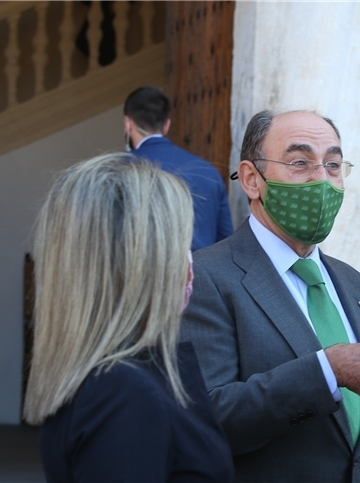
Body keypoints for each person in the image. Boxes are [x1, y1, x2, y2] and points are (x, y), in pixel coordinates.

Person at [181, 110, 360, 482]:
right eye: (300, 162)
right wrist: (328, 370)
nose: (321, 180)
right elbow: (208, 417)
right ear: (251, 179)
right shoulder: (206, 278)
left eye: (333, 165)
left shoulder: (359, 287)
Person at [23, 153, 234, 482]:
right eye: (181, 243)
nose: (190, 261)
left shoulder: (125, 376)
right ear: (145, 264)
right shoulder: (122, 394)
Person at [124, 86, 233, 251]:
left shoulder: (118, 169)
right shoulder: (207, 171)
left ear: (127, 123)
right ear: (166, 125)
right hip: (200, 274)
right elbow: (225, 241)